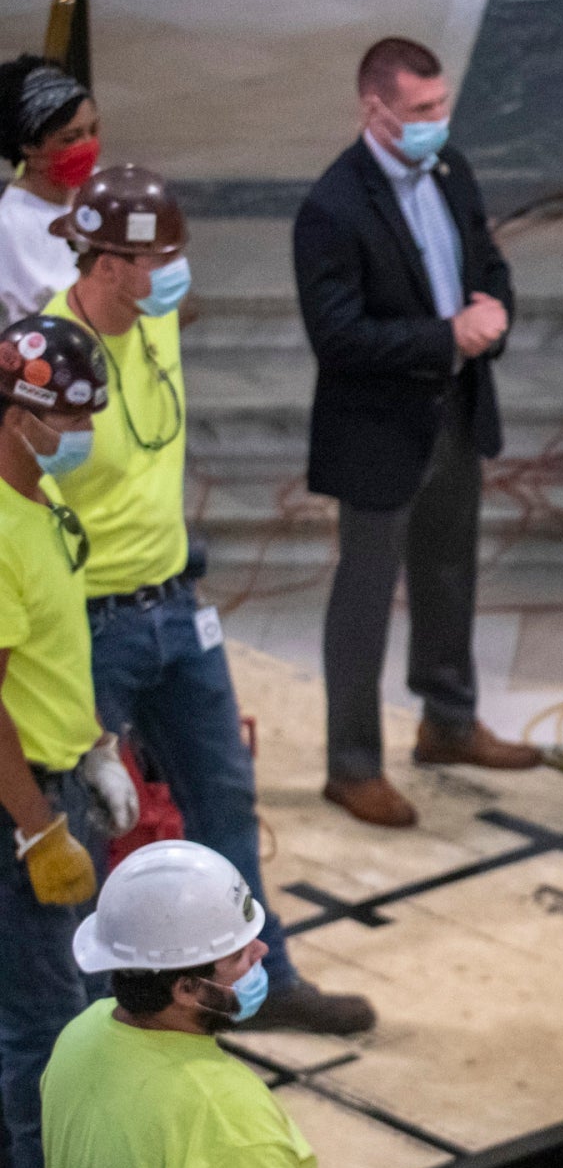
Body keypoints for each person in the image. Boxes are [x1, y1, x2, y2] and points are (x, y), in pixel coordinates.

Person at [48, 168, 373, 1036]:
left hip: (177, 608)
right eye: (160, 254)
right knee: (81, 829)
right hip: (90, 625)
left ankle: (260, 982)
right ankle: (96, 1030)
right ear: (106, 262)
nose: (178, 266)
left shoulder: (156, 319)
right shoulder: (51, 358)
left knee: (224, 798)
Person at [294, 36, 537, 830]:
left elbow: (487, 263)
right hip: (378, 431)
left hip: (456, 412)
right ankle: (353, 765)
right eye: (422, 110)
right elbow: (338, 336)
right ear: (376, 109)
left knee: (448, 572)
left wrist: (492, 317)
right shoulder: (332, 206)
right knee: (364, 595)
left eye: (442, 105)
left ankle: (449, 721)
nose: (438, 121)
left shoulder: (451, 169)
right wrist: (446, 337)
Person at [47, 840, 337, 1168]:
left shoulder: (82, 1037)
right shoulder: (224, 1116)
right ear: (185, 989)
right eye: (240, 955)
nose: (262, 952)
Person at [0, 312, 121, 1168]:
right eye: (74, 414)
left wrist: (97, 748)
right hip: (16, 805)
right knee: (48, 1023)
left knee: (34, 1009)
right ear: (25, 411)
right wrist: (39, 826)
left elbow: (50, 654)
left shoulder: (38, 496)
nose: (84, 432)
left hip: (55, 773)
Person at [0, 56, 99, 321]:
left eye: (92, 130)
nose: (88, 145)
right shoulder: (12, 225)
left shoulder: (98, 189)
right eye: (71, 137)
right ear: (30, 147)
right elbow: (67, 311)